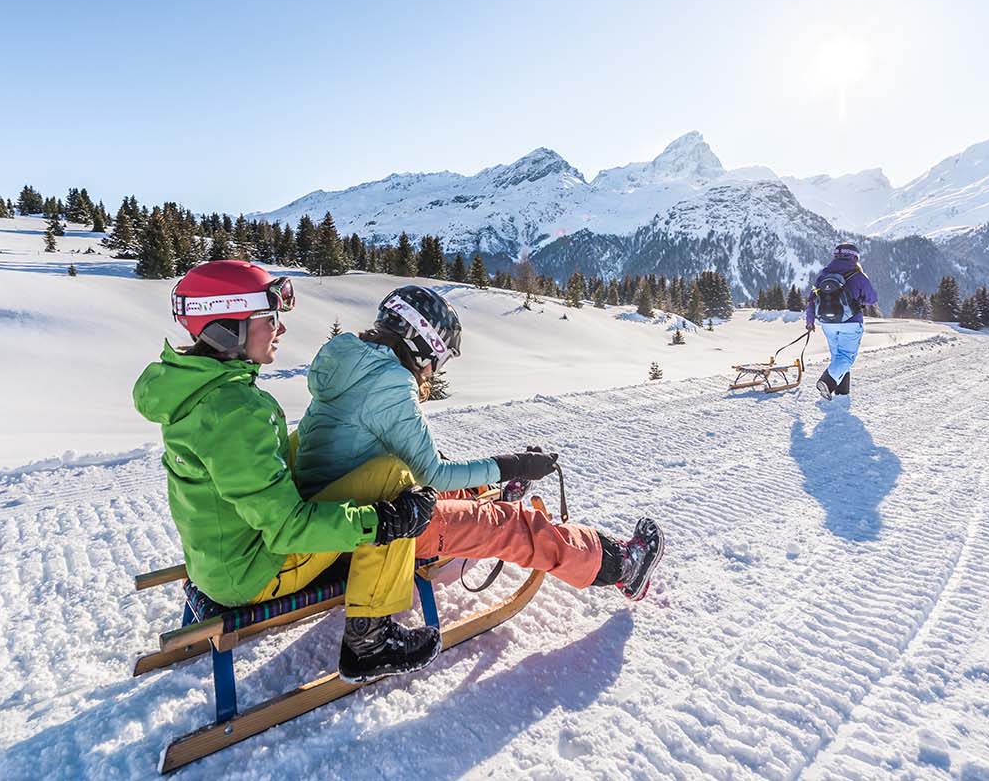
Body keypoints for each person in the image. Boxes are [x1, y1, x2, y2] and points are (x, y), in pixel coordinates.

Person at [133, 260, 442, 684]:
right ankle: (370, 642)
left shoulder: (202, 388)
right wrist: (383, 521)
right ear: (229, 328)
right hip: (254, 575)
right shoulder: (235, 412)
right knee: (397, 486)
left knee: (380, 470)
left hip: (220, 558)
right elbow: (288, 531)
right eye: (270, 318)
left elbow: (258, 475)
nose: (280, 329)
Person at [295, 284, 665, 631]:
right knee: (507, 526)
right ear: (423, 346)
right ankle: (620, 567)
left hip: (337, 509)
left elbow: (411, 466)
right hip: (371, 528)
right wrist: (512, 464)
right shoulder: (391, 383)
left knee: (422, 474)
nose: (433, 371)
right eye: (437, 359)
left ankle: (486, 496)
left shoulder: (353, 364)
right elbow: (434, 474)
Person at [805, 242, 878, 400]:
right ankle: (827, 382)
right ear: (854, 258)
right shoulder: (858, 276)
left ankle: (842, 392)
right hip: (851, 322)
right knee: (846, 357)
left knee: (838, 356)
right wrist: (859, 300)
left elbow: (811, 301)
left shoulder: (823, 276)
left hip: (827, 323)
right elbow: (872, 298)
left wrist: (810, 320)